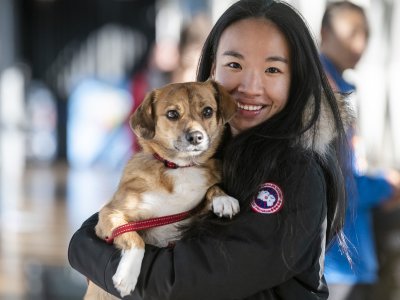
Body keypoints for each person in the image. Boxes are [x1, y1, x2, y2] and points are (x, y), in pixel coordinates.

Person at [68, 0, 352, 299]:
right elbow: (106, 222)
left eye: (272, 69)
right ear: (212, 69)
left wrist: (90, 254)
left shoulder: (296, 171)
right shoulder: (206, 152)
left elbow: (190, 282)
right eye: (234, 65)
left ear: (296, 78)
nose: (251, 86)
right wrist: (86, 246)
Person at [320, 2, 400, 300]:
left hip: (350, 254)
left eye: (366, 34)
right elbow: (336, 185)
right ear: (324, 33)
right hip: (336, 263)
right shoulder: (321, 91)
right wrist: (385, 186)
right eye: (352, 33)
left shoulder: (341, 87)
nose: (361, 44)